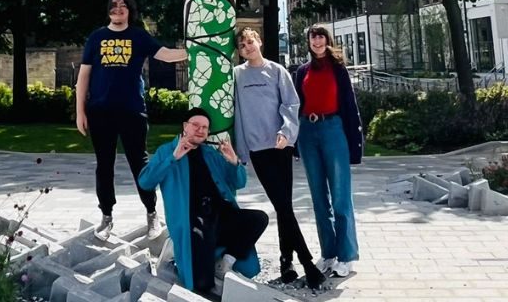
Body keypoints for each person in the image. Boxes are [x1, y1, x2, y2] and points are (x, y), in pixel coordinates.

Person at [76, 0, 188, 241]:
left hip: (132, 111)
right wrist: (79, 111)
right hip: (100, 112)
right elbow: (84, 76)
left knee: (140, 164)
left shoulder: (138, 36)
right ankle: (106, 216)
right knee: (104, 166)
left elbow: (167, 55)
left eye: (123, 6)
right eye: (114, 6)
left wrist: (196, 50)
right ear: (108, 10)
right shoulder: (96, 38)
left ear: (130, 10)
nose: (118, 10)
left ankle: (151, 212)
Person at [233, 28, 327, 289]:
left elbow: (291, 104)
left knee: (284, 206)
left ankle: (287, 261)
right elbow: (237, 114)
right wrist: (242, 151)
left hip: (280, 147)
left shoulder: (277, 71)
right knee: (283, 206)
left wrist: (286, 133)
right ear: (239, 51)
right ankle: (307, 263)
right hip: (258, 150)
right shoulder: (237, 76)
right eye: (242, 45)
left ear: (259, 41)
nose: (247, 47)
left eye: (250, 41)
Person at [138, 107, 268, 295]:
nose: (200, 130)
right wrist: (173, 158)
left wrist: (233, 162)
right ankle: (183, 251)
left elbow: (239, 183)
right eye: (195, 125)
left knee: (258, 218)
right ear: (185, 127)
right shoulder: (167, 151)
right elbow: (145, 182)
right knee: (201, 284)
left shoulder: (210, 153)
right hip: (193, 221)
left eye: (205, 127)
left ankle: (226, 263)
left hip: (220, 215)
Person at [293, 24, 364, 278]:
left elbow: (350, 107)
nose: (317, 40)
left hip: (333, 129)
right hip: (307, 132)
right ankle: (329, 253)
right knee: (319, 199)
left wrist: (356, 145)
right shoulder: (302, 71)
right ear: (309, 43)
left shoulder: (339, 70)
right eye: (312, 37)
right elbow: (295, 105)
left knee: (340, 197)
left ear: (327, 40)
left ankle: (346, 256)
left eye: (321, 36)